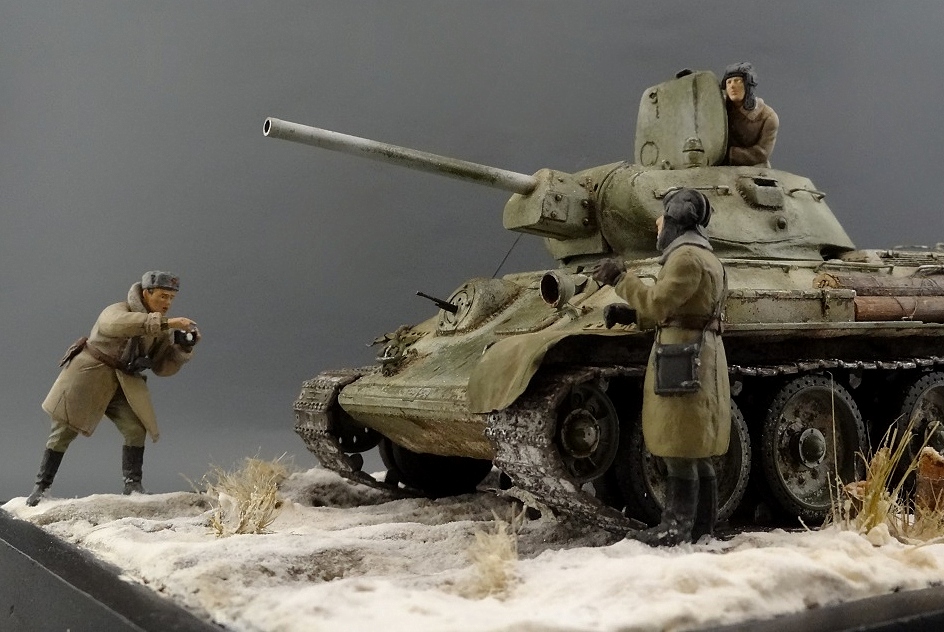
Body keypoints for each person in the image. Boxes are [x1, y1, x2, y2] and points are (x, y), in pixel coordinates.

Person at [593, 189, 730, 546]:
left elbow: (658, 304)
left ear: (675, 222)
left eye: (662, 217)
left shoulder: (685, 258)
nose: (657, 224)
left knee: (678, 445)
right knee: (695, 448)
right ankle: (701, 528)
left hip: (683, 357)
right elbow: (684, 308)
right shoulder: (705, 256)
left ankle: (676, 528)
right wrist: (632, 315)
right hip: (696, 352)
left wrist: (620, 279)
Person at [25, 271, 200, 506]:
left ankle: (133, 486)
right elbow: (118, 325)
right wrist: (167, 323)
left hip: (122, 382)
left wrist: (183, 348)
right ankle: (41, 488)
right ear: (146, 293)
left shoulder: (161, 326)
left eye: (171, 298)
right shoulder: (118, 310)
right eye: (162, 296)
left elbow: (161, 367)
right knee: (63, 432)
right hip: (89, 377)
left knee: (136, 428)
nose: (167, 303)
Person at [721, 62, 778, 167]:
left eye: (738, 81)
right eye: (728, 82)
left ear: (748, 84)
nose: (732, 86)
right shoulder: (720, 108)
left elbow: (762, 153)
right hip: (720, 167)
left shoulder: (767, 117)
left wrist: (728, 154)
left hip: (754, 168)